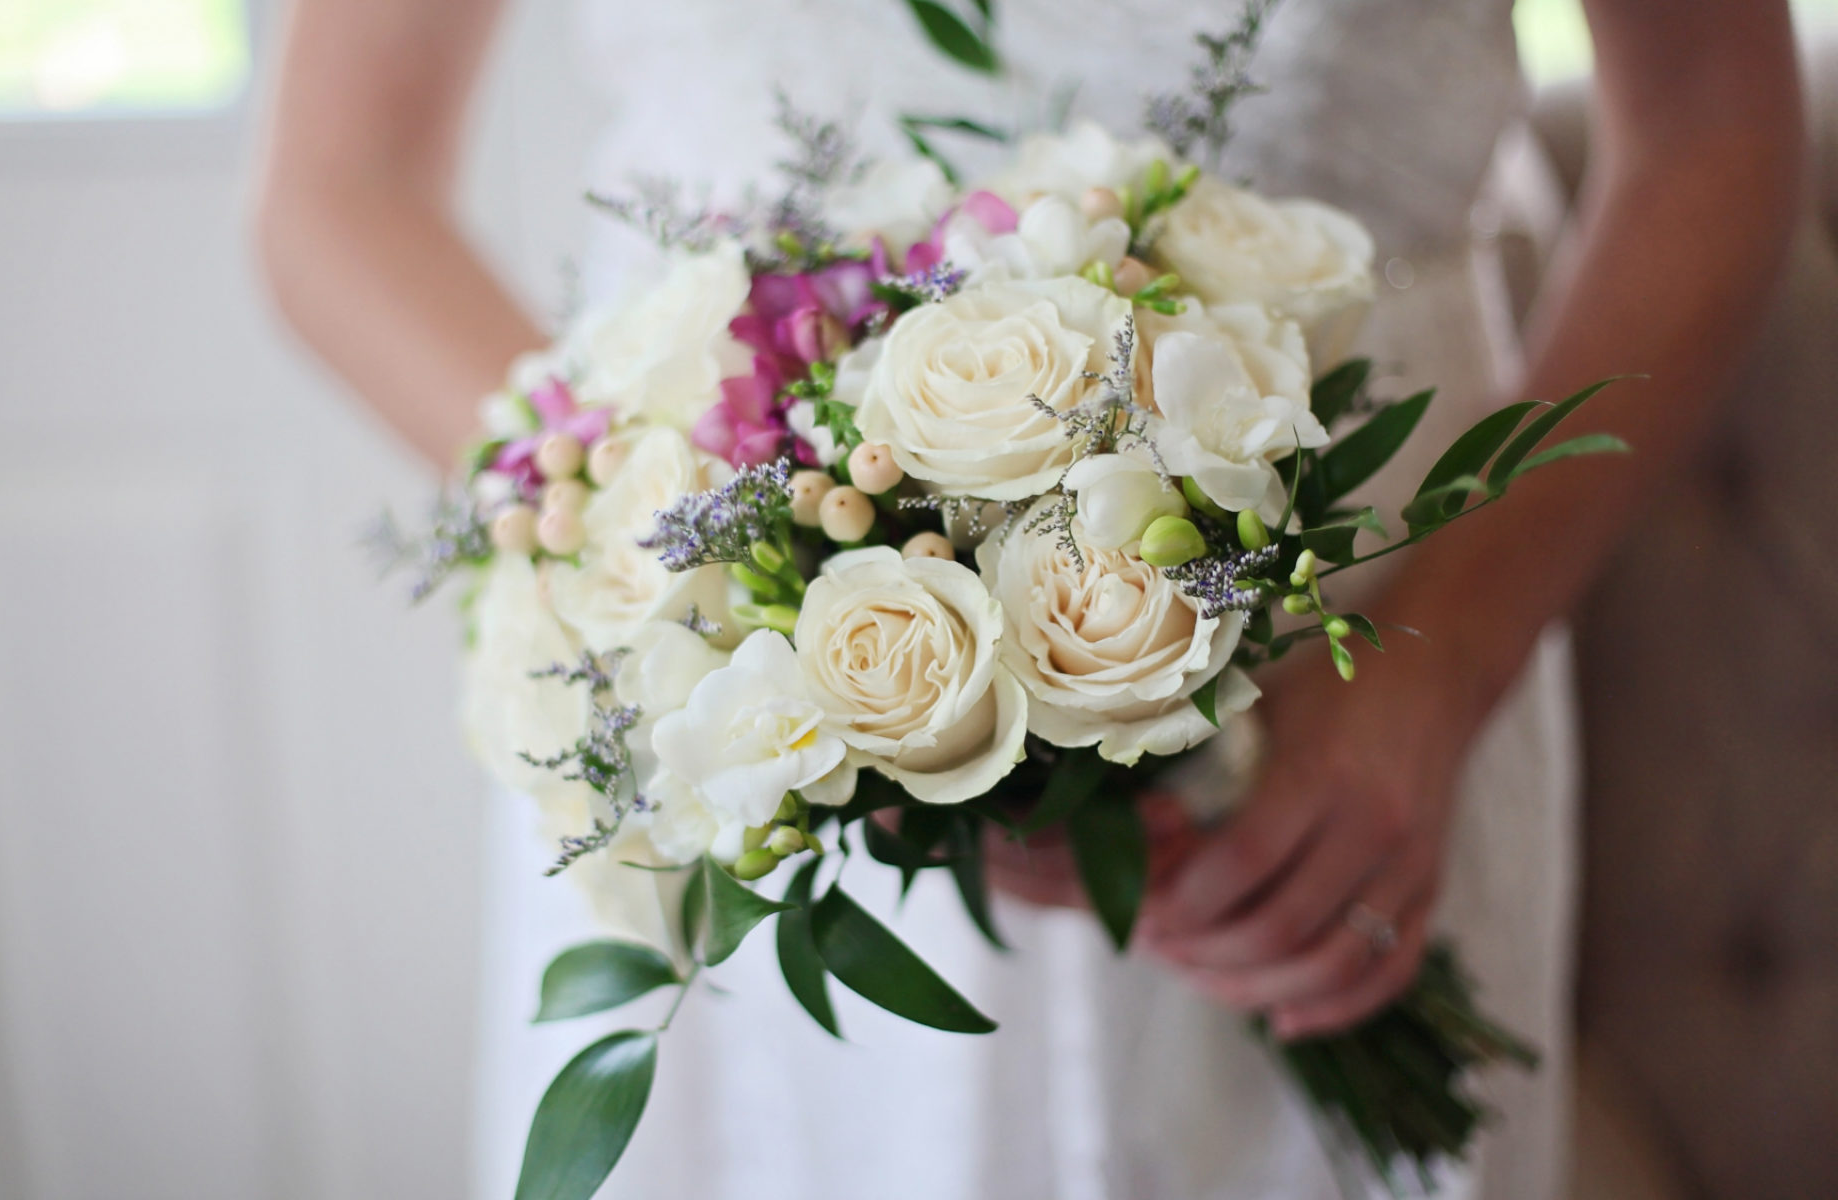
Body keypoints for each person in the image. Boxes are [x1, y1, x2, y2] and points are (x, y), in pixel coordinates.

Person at [254, 2, 1803, 1196]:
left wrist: (1437, 669)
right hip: (740, 701)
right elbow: (340, 191)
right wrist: (701, 583)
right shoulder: (721, 613)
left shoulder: (1409, 680)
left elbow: (1714, 129)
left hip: (1367, 655)